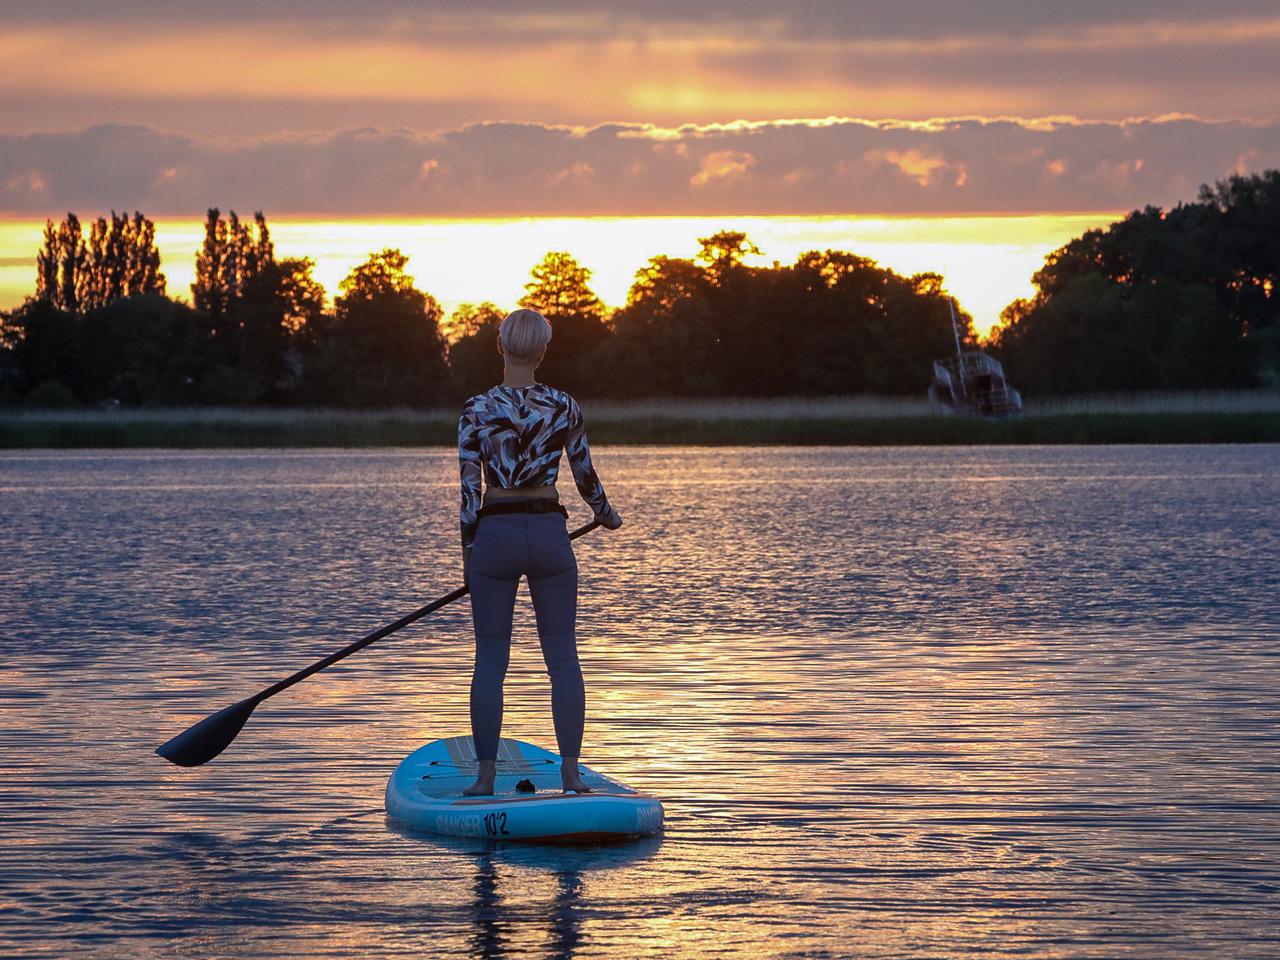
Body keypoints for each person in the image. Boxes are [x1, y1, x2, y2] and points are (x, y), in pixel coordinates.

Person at [457, 308, 623, 795]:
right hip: (550, 535)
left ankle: (485, 779)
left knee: (490, 659)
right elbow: (585, 475)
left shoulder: (476, 409)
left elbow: (469, 492)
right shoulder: (564, 405)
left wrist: (470, 551)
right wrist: (606, 514)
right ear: (543, 351)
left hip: (496, 537)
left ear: (500, 346)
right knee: (563, 656)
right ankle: (571, 774)